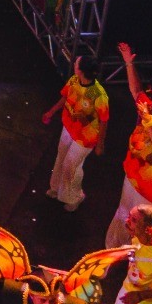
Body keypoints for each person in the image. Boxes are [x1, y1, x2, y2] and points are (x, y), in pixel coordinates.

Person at [105, 43, 152, 247]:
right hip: (133, 182)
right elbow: (137, 90)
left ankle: (139, 261)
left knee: (145, 232)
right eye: (150, 108)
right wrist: (129, 63)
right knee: (124, 216)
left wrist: (148, 120)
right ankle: (114, 250)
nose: (148, 108)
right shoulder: (149, 114)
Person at [42, 54, 108, 211]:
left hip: (85, 138)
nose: (74, 64)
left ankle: (75, 196)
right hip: (69, 128)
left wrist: (100, 144)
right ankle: (56, 188)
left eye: (77, 63)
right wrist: (51, 112)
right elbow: (64, 98)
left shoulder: (99, 95)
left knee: (70, 166)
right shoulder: (74, 80)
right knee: (61, 158)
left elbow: (104, 120)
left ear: (81, 71)